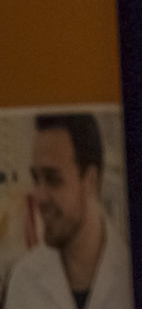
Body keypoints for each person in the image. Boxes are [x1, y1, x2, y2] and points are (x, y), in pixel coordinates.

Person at [3, 114, 132, 309]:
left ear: (90, 181)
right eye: (36, 178)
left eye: (53, 179)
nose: (39, 197)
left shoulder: (132, 271)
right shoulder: (23, 281)